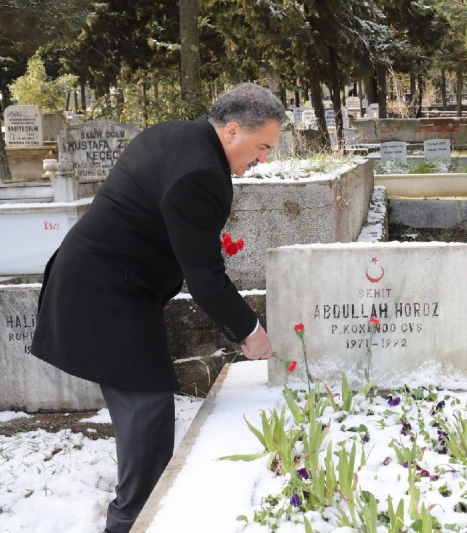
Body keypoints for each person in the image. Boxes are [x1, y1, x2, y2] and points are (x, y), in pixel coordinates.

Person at [31, 83, 283, 533]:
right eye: (262, 145)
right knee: (146, 415)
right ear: (230, 131)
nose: (264, 158)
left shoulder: (176, 135)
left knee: (145, 413)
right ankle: (132, 521)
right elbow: (204, 275)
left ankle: (137, 514)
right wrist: (251, 331)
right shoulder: (199, 172)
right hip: (105, 295)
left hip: (110, 286)